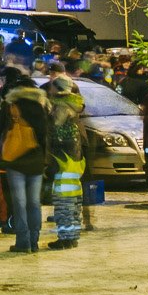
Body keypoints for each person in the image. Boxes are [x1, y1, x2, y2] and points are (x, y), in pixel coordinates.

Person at [0, 79, 51, 252]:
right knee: (34, 203)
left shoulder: (11, 106)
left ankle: (23, 242)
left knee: (19, 203)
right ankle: (34, 242)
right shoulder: (41, 107)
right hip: (35, 161)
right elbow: (45, 135)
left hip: (16, 160)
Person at [46, 76, 87, 248]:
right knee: (74, 203)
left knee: (63, 204)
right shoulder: (74, 106)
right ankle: (73, 236)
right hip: (75, 161)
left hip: (63, 160)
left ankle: (65, 239)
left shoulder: (62, 107)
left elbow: (55, 129)